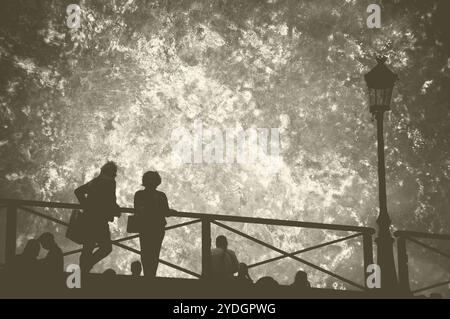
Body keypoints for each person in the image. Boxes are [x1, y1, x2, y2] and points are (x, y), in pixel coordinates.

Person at [75, 161, 120, 274]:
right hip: (100, 221)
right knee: (106, 248)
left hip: (89, 219)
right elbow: (111, 201)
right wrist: (116, 210)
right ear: (113, 173)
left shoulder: (96, 181)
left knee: (87, 248)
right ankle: (87, 266)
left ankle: (83, 274)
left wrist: (87, 207)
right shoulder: (110, 182)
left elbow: (78, 191)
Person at [133, 171, 169, 278]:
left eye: (152, 179)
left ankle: (148, 276)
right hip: (157, 227)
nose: (151, 181)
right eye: (150, 178)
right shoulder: (161, 195)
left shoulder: (139, 194)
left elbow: (137, 210)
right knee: (153, 253)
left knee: (146, 253)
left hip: (146, 227)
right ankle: (151, 276)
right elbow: (165, 212)